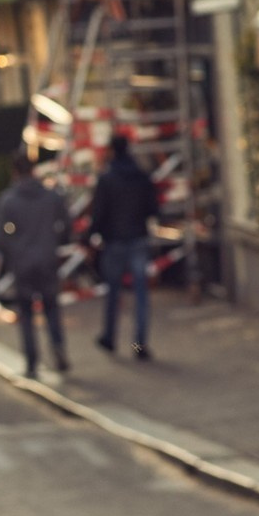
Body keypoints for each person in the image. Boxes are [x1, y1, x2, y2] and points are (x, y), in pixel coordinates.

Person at [0, 153, 71, 380]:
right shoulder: (50, 196)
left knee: (26, 312)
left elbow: (0, 234)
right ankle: (57, 346)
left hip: (22, 261)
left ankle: (32, 361)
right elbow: (65, 223)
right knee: (51, 306)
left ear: (14, 172)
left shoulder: (8, 200)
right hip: (47, 257)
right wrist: (57, 242)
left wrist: (11, 252)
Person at [90, 132, 159, 360]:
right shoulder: (140, 176)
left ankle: (110, 338)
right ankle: (140, 345)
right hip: (138, 238)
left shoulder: (107, 178)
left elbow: (98, 212)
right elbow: (153, 207)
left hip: (115, 242)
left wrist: (91, 236)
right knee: (141, 295)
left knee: (113, 293)